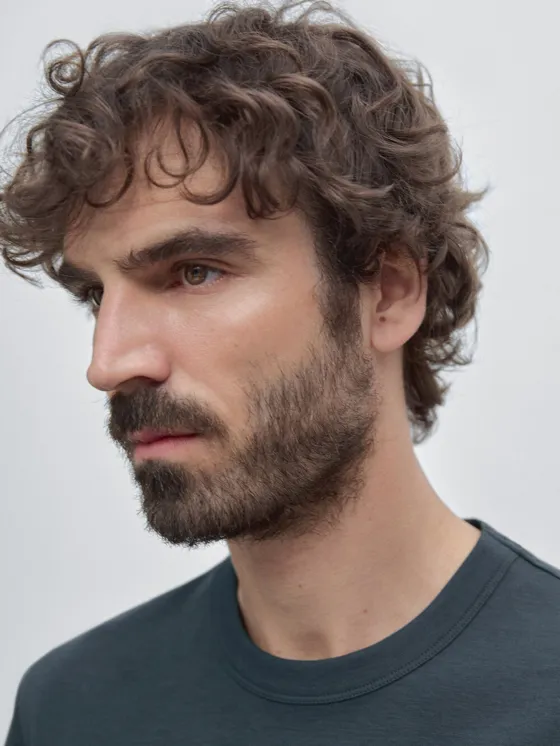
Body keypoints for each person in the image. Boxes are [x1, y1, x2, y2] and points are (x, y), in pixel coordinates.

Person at [2, 0, 559, 743]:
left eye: (194, 272)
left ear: (389, 293)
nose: (108, 365)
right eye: (97, 296)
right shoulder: (73, 711)